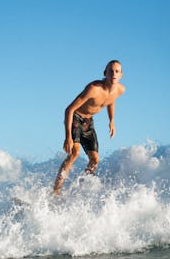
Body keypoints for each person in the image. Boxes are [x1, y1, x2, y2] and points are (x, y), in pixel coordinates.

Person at [53, 60, 125, 194]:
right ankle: (56, 191)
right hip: (75, 118)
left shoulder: (120, 90)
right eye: (110, 71)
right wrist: (68, 136)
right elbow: (69, 110)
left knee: (95, 160)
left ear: (121, 74)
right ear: (105, 73)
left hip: (88, 122)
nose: (113, 74)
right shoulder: (94, 89)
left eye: (117, 71)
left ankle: (79, 189)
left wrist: (112, 121)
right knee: (75, 153)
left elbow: (111, 101)